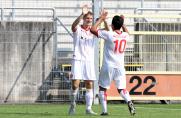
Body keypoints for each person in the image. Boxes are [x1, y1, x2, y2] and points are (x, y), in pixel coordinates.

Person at [90, 11, 136, 116]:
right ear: (121, 25)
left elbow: (93, 30)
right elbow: (127, 32)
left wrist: (101, 19)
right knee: (121, 89)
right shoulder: (125, 35)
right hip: (120, 67)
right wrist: (123, 23)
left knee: (102, 88)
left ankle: (104, 111)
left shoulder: (109, 34)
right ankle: (129, 101)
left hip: (108, 65)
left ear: (112, 25)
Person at [68, 5, 97, 115]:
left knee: (89, 84)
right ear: (84, 19)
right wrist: (81, 14)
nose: (89, 20)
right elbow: (73, 25)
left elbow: (106, 31)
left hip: (88, 60)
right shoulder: (78, 29)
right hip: (78, 59)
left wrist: (103, 20)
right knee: (75, 85)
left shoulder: (93, 31)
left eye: (90, 18)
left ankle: (88, 109)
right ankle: (72, 105)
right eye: (87, 18)